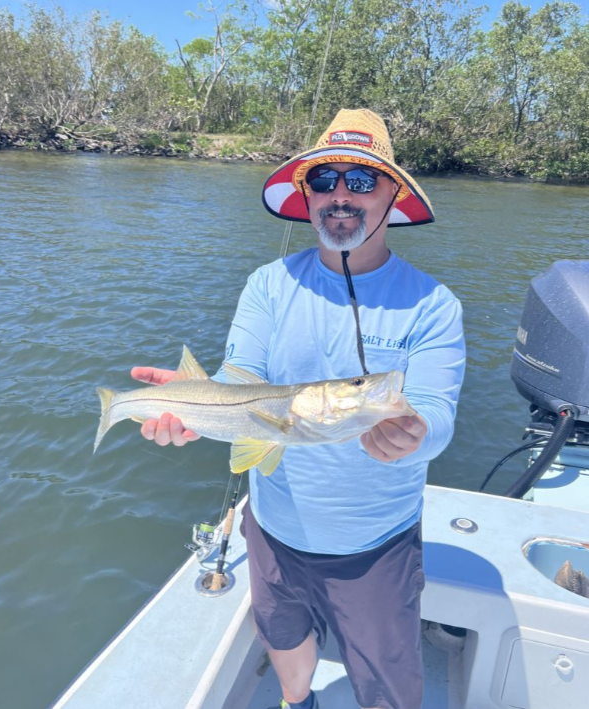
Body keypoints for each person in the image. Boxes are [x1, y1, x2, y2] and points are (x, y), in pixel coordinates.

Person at [132, 109, 466, 709]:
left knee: (389, 686)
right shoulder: (266, 284)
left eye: (362, 181)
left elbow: (437, 415)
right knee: (282, 640)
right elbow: (241, 383)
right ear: (304, 193)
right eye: (324, 180)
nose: (340, 195)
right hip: (273, 526)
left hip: (375, 544)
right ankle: (297, 701)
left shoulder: (433, 305)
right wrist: (192, 407)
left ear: (394, 195)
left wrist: (415, 435)